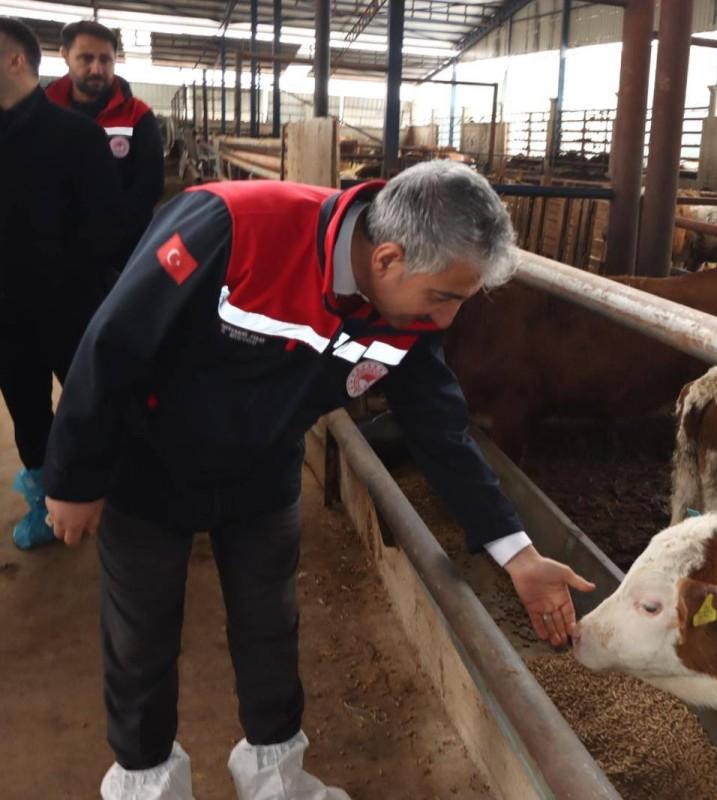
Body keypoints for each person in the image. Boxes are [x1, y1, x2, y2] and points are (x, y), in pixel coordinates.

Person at [43, 161, 596, 799]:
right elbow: (113, 342)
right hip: (152, 466)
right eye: (444, 297)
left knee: (270, 626)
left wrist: (517, 554)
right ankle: (147, 785)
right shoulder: (232, 225)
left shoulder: (408, 318)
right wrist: (74, 477)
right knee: (140, 637)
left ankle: (276, 779)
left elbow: (442, 432)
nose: (445, 320)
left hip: (262, 473)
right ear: (387, 258)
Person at [0, 17, 123, 550]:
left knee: (97, 404)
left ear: (14, 59)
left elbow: (107, 228)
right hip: (6, 314)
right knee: (28, 413)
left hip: (72, 307)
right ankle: (45, 505)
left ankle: (118, 500)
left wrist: (81, 289)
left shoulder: (76, 136)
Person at [47, 19, 164, 281]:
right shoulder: (44, 111)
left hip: (123, 252)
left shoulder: (138, 115)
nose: (97, 69)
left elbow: (149, 186)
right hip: (56, 249)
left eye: (106, 60)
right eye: (86, 58)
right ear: (65, 55)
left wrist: (110, 238)